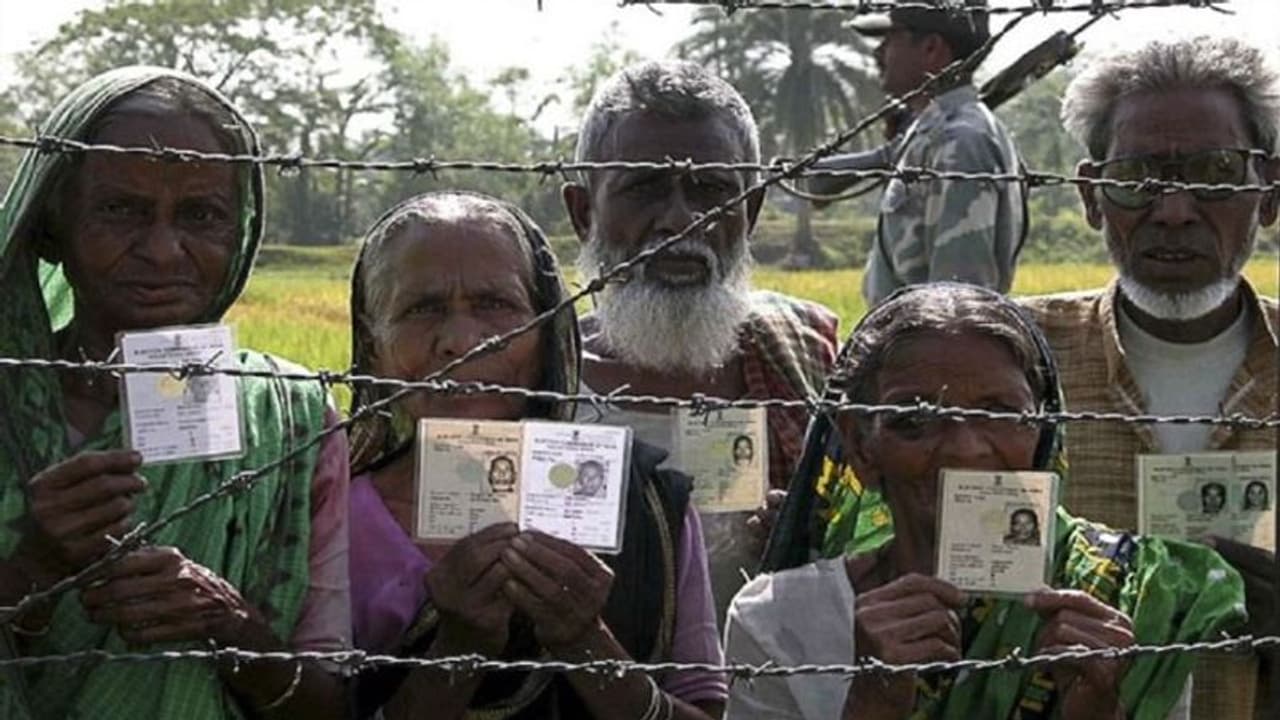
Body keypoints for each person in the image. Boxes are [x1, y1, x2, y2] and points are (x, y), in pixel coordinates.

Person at [0, 67, 350, 718]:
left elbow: (330, 703)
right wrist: (34, 568)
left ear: (239, 229)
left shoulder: (293, 415)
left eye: (201, 215)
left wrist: (232, 626)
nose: (163, 251)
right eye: (120, 210)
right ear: (52, 222)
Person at [729, 284, 1246, 720]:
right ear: (861, 444)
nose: (965, 449)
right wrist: (873, 699)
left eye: (1001, 413)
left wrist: (1098, 703)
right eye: (915, 417)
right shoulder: (782, 619)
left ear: (1043, 435)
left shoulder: (1132, 598)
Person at [345, 191, 727, 719]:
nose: (463, 341)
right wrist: (459, 649)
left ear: (547, 328)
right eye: (422, 309)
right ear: (372, 344)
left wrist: (585, 641)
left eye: (495, 305)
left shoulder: (646, 503)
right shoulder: (331, 517)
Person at [1021, 35, 1280, 720]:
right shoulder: (1010, 362)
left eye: (1214, 173)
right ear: (1091, 196)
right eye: (1137, 179)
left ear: (1270, 195)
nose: (1172, 210)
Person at [563, 60, 840, 625]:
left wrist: (811, 539)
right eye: (643, 189)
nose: (681, 220)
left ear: (752, 210)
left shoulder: (804, 359)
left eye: (710, 190)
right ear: (583, 212)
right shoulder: (537, 380)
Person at [811, 0, 1025, 306]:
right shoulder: (930, 133)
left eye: (891, 38)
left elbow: (956, 305)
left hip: (927, 349)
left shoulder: (961, 142)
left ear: (931, 48)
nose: (878, 52)